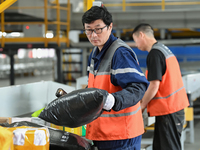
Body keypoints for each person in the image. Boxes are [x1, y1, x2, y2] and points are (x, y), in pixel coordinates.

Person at [82, 5, 149, 150]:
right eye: (88, 30)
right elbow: (96, 87)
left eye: (98, 29)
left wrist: (114, 100)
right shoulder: (94, 53)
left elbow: (138, 88)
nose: (93, 35)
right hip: (102, 133)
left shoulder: (120, 53)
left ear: (110, 27)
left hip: (121, 136)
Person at [132, 23, 190, 150]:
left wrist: (141, 105)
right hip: (172, 109)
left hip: (169, 110)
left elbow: (154, 85)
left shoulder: (154, 54)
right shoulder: (163, 50)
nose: (136, 44)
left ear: (141, 35)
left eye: (135, 40)